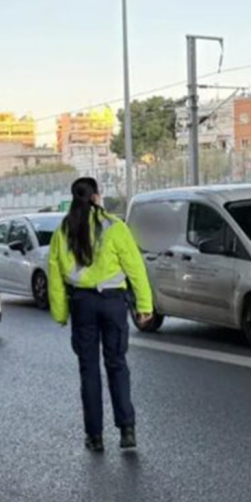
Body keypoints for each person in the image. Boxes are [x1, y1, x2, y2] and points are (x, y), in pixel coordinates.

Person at [48, 178, 154, 452]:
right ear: (97, 196)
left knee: (89, 371)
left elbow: (55, 274)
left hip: (82, 304)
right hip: (113, 303)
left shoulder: (63, 230)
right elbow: (135, 268)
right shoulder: (115, 227)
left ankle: (94, 436)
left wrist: (60, 313)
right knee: (117, 364)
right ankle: (127, 430)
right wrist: (144, 307)